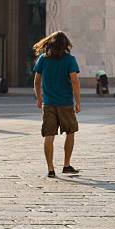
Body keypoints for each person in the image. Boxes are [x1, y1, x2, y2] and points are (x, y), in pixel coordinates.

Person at [33, 31, 81, 178]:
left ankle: (50, 169)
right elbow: (74, 81)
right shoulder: (70, 60)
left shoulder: (43, 59)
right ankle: (66, 165)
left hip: (49, 103)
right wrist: (78, 101)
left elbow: (36, 80)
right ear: (66, 45)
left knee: (49, 135)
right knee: (70, 132)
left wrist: (39, 98)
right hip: (65, 103)